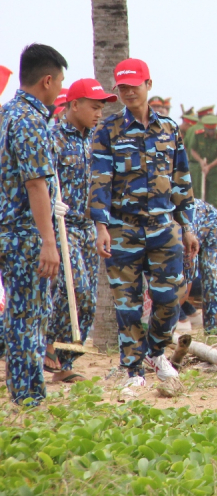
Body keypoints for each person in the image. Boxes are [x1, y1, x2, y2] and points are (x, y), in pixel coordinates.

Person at [91, 58, 200, 389]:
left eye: (133, 86)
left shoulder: (169, 129)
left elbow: (181, 179)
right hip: (122, 229)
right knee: (128, 304)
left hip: (163, 228)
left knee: (169, 298)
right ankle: (134, 370)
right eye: (121, 87)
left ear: (148, 85)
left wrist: (189, 226)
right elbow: (100, 181)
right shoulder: (107, 132)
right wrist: (101, 227)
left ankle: (156, 351)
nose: (128, 92)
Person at [0, 44, 67, 405]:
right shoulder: (29, 121)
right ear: (46, 80)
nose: (59, 90)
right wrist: (48, 242)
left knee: (17, 316)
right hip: (26, 235)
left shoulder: (9, 114)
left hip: (9, 231)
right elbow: (36, 184)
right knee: (29, 320)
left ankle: (21, 395)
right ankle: (29, 399)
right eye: (59, 83)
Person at [45, 78, 118, 384]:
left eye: (101, 108)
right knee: (77, 290)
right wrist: (51, 204)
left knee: (85, 302)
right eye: (94, 107)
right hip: (59, 225)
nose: (98, 113)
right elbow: (37, 179)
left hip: (87, 228)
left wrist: (101, 226)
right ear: (74, 105)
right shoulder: (53, 137)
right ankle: (46, 346)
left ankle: (64, 364)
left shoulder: (94, 141)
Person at [178, 199, 217, 334]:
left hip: (210, 222)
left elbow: (187, 278)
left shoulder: (182, 232)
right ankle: (187, 312)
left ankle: (216, 328)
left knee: (209, 269)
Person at [189, 114, 217, 208]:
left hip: (215, 168)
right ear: (205, 128)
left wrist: (209, 166)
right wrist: (200, 161)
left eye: (213, 130)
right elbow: (193, 150)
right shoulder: (198, 135)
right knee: (198, 193)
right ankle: (198, 214)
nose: (211, 132)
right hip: (200, 168)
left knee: (213, 195)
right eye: (209, 130)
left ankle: (212, 217)